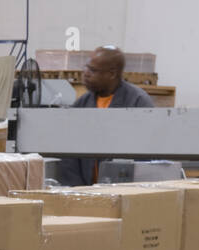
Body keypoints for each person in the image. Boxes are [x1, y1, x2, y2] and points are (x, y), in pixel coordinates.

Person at [55, 46, 155, 186]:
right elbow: (68, 155)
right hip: (85, 193)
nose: (86, 74)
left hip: (125, 191)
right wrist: (79, 191)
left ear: (112, 73)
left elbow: (146, 155)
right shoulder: (82, 104)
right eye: (86, 68)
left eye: (93, 70)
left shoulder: (137, 103)